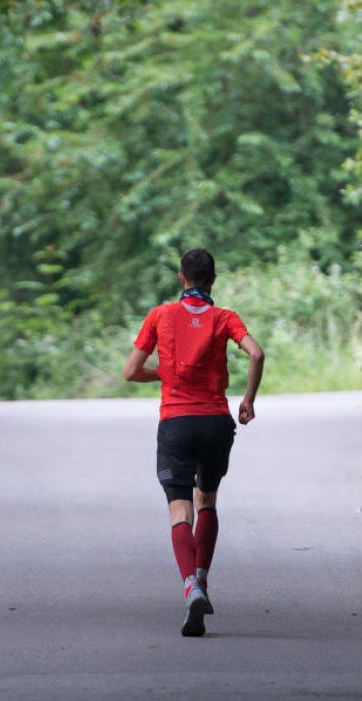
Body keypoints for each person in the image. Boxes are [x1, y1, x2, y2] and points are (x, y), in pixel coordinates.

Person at [123, 248, 265, 637]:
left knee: (179, 510)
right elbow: (256, 352)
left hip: (177, 424)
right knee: (208, 500)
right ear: (212, 280)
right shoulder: (224, 318)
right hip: (217, 423)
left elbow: (131, 372)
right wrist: (248, 399)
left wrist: (166, 373)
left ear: (181, 278)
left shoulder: (161, 315)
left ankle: (190, 585)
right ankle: (203, 575)